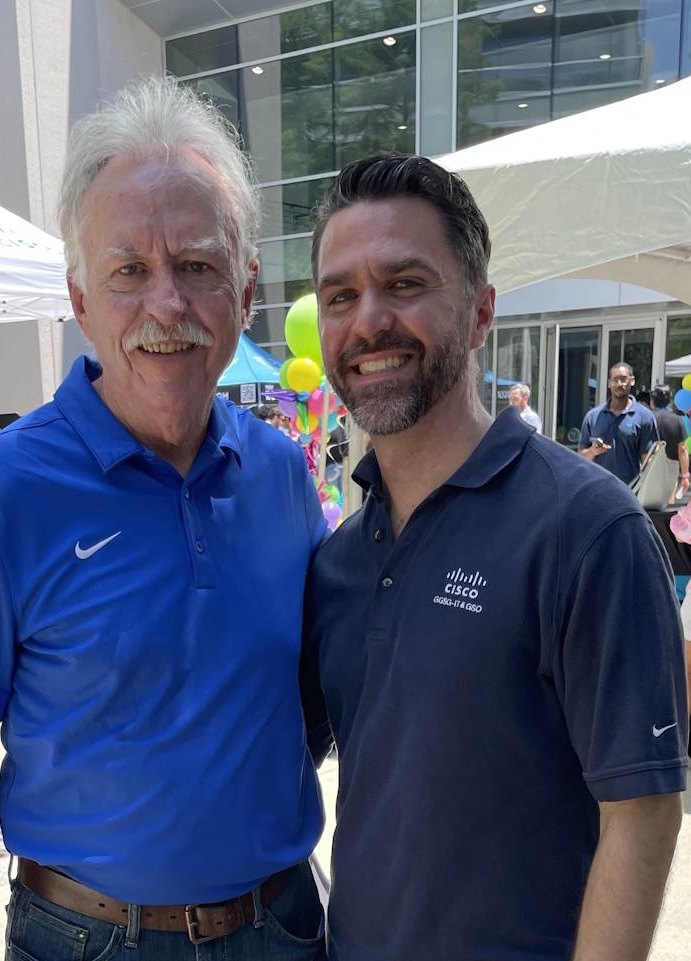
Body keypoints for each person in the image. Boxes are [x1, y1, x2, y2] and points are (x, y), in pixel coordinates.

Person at [0, 76, 328, 961]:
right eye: (129, 270)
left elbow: (313, 693)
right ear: (79, 297)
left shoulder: (283, 475)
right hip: (85, 941)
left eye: (199, 266)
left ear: (246, 289)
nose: (166, 305)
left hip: (283, 929)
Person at [301, 153, 688, 961]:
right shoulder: (337, 560)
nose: (368, 320)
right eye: (341, 295)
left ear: (480, 315)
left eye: (405, 283)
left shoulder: (588, 531)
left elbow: (644, 811)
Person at [578, 363, 659, 483]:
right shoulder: (593, 417)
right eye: (615, 380)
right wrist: (592, 451)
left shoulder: (644, 417)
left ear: (632, 381)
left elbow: (648, 460)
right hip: (597, 489)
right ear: (609, 383)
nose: (619, 384)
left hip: (629, 491)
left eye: (623, 379)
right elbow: (580, 458)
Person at [650, 384, 690, 494]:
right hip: (671, 471)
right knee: (668, 506)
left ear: (652, 401)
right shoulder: (677, 420)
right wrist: (685, 475)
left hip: (649, 470)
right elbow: (682, 450)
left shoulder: (647, 418)